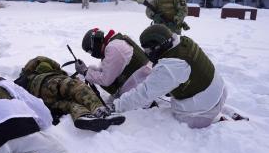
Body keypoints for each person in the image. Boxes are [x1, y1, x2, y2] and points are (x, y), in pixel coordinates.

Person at [112, 24, 247, 129]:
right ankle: (220, 110)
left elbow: (144, 93)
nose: (147, 54)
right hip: (218, 89)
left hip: (206, 104)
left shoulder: (172, 66)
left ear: (159, 46)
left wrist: (116, 106)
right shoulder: (182, 42)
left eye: (148, 50)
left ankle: (217, 120)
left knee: (178, 113)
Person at [14, 56, 126, 132]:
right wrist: (59, 71)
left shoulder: (26, 81)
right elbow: (40, 59)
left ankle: (83, 116)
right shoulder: (49, 75)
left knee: (69, 104)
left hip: (44, 101)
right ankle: (100, 110)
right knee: (76, 86)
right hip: (50, 84)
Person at [77, 28, 152, 99]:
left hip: (141, 91)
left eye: (90, 51)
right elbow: (107, 69)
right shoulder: (114, 43)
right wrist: (89, 70)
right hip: (141, 85)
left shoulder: (114, 48)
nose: (92, 54)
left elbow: (106, 80)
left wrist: (86, 72)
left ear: (95, 45)